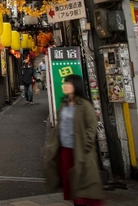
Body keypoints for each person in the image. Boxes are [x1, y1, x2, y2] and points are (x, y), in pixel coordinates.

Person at [45, 75, 105, 206]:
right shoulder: (64, 104)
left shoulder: (84, 105)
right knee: (72, 184)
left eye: (69, 84)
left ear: (76, 86)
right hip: (65, 150)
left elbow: (91, 127)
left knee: (84, 185)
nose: (65, 86)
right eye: (65, 83)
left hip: (80, 151)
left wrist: (85, 146)